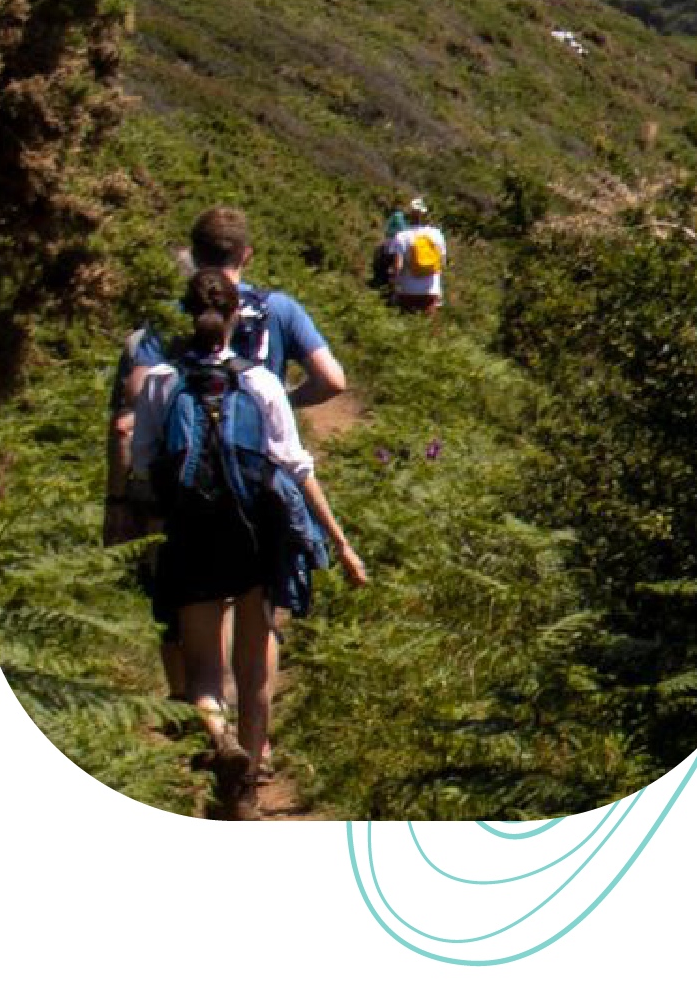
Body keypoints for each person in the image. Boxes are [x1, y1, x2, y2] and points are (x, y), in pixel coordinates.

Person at [127, 268, 367, 816]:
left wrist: (138, 535)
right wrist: (341, 544)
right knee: (255, 669)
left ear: (186, 315)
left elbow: (143, 467)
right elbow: (297, 467)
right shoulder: (260, 382)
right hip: (255, 539)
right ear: (238, 317)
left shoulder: (161, 382)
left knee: (206, 675)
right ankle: (250, 785)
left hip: (191, 537)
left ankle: (219, 739)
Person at [109, 206, 348, 699]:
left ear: (193, 254)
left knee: (194, 611)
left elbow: (130, 417)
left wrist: (124, 502)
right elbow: (332, 380)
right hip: (264, 486)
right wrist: (284, 400)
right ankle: (255, 749)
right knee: (260, 621)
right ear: (247, 254)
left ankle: (197, 721)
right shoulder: (279, 310)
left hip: (184, 492)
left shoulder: (169, 320)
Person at [383, 196, 448, 317]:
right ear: (425, 215)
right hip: (431, 291)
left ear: (409, 215)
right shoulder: (437, 234)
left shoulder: (402, 236)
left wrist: (393, 288)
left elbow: (397, 266)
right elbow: (442, 263)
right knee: (428, 331)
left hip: (408, 291)